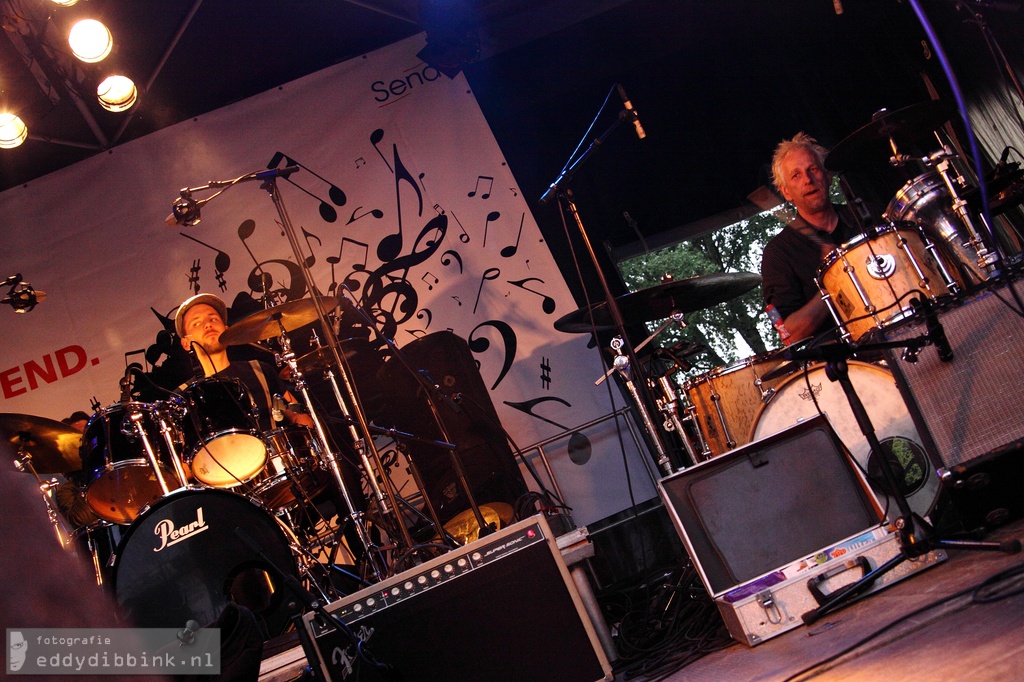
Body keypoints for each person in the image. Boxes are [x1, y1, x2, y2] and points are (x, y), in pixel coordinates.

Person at [761, 132, 860, 341]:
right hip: (848, 364)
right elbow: (786, 334)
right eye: (796, 175)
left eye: (813, 169)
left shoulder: (864, 216)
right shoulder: (777, 254)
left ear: (827, 175)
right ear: (786, 192)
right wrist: (831, 280)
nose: (807, 179)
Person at [174, 293, 314, 433]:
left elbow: (296, 412)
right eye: (196, 323)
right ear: (185, 343)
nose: (208, 325)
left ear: (226, 329)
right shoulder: (183, 397)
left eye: (213, 318)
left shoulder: (259, 370)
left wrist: (305, 430)